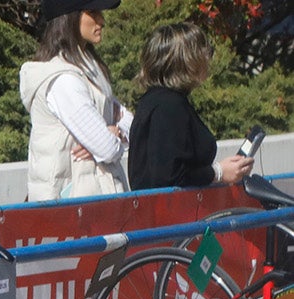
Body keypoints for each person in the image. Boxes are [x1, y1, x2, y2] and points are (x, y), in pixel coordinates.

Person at [20, 0, 131, 202]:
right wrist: (108, 135)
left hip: (93, 205)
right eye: (92, 12)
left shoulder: (89, 72)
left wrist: (115, 132)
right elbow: (106, 149)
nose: (102, 20)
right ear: (69, 17)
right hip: (64, 211)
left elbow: (132, 126)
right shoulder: (63, 80)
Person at [129, 23, 255, 191]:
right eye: (203, 51)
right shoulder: (169, 107)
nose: (208, 58)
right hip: (173, 213)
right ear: (187, 60)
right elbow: (169, 177)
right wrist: (218, 172)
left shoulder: (153, 101)